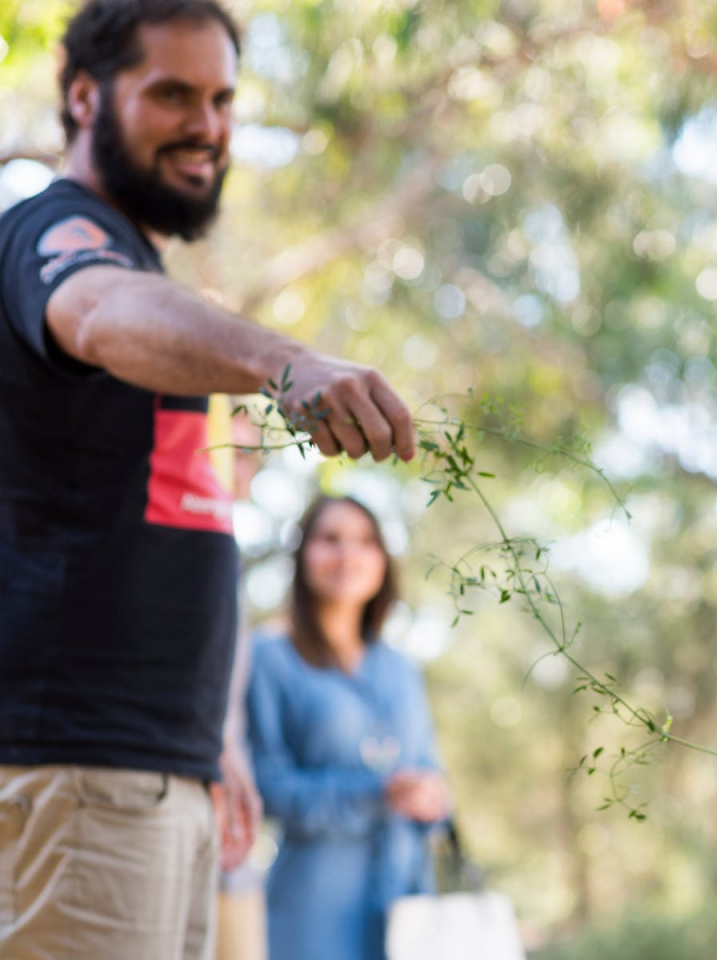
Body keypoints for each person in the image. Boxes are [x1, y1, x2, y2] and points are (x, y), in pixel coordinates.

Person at [0, 3, 417, 959]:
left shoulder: (140, 264)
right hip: (77, 774)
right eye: (172, 94)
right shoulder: (57, 236)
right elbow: (99, 309)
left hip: (147, 774)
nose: (209, 124)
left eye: (223, 98)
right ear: (82, 96)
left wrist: (208, 742)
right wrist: (286, 361)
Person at [247, 495, 451, 960]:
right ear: (302, 556)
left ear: (384, 560)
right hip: (314, 910)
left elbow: (435, 776)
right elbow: (267, 787)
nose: (347, 555)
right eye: (330, 540)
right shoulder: (270, 657)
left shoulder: (401, 669)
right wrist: (375, 794)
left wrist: (432, 796)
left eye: (365, 541)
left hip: (407, 906)